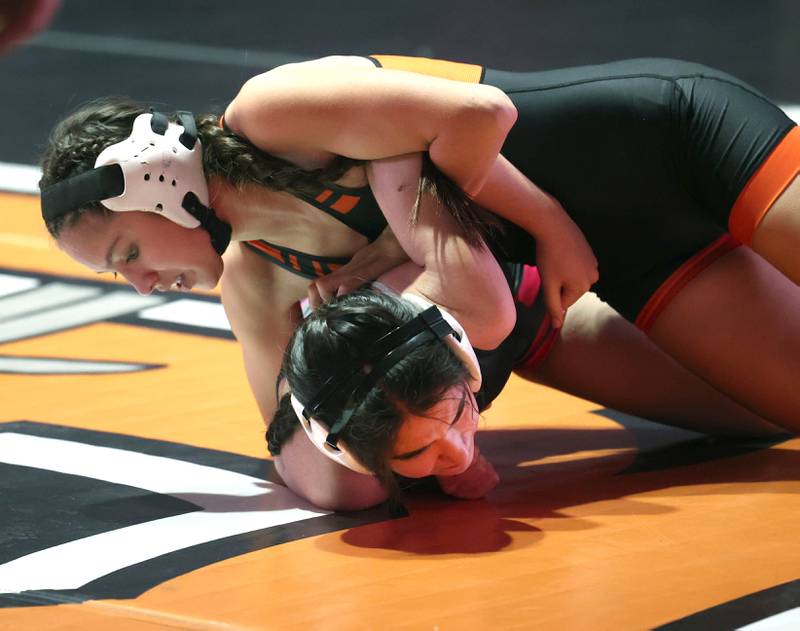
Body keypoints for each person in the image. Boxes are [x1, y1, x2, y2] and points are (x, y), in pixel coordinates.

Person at [267, 56, 800, 509]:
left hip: (675, 144)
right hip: (626, 262)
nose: (452, 453)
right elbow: (328, 471)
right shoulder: (264, 260)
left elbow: (465, 115)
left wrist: (550, 223)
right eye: (414, 459)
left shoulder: (270, 117)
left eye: (446, 430)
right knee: (779, 411)